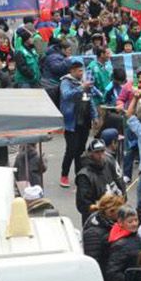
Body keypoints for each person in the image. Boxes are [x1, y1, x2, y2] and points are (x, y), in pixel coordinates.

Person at [58, 60, 93, 188]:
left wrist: (94, 116)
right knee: (71, 150)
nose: (81, 73)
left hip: (84, 120)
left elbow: (90, 99)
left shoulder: (83, 83)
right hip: (71, 121)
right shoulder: (65, 83)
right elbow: (66, 95)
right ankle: (64, 175)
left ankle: (79, 175)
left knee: (81, 150)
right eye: (79, 70)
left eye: (82, 70)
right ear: (72, 71)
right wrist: (81, 88)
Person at [105, 207, 141, 281]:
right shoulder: (120, 244)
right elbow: (112, 272)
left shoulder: (134, 236)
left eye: (136, 220)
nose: (134, 224)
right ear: (121, 223)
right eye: (130, 221)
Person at [75, 139, 126, 221]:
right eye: (97, 152)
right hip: (96, 218)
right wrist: (103, 207)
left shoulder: (110, 163)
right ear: (90, 154)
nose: (100, 155)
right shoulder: (84, 176)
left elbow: (120, 183)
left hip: (115, 214)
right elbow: (83, 204)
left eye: (102, 151)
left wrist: (120, 200)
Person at [82, 193, 125, 272]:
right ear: (111, 212)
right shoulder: (93, 234)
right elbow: (93, 261)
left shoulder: (113, 225)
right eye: (119, 211)